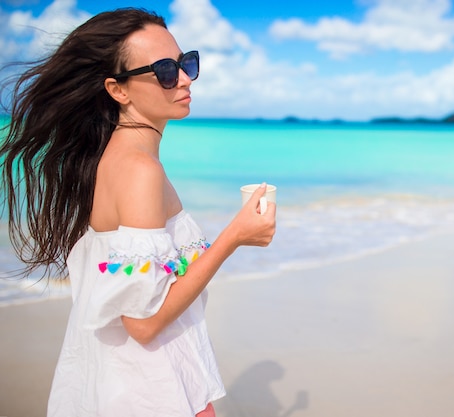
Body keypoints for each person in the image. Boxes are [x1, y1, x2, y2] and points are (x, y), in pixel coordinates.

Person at [0, 8, 275, 417]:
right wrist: (234, 236)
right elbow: (142, 322)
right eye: (165, 70)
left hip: (146, 377)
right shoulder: (139, 170)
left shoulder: (124, 157)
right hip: (148, 389)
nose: (183, 78)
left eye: (186, 63)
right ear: (118, 90)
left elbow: (151, 284)